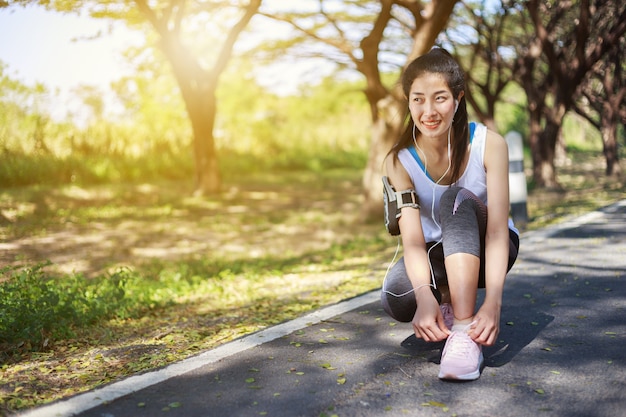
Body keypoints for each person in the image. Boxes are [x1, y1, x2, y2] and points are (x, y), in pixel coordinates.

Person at [381, 48, 520, 381]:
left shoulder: (491, 145)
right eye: (418, 100)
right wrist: (425, 298)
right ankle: (445, 298)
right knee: (397, 297)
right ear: (408, 101)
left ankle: (463, 331)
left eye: (439, 98)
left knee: (454, 199)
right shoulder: (398, 161)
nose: (428, 111)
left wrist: (495, 303)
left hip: (490, 248)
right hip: (438, 253)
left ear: (458, 99)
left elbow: (499, 232)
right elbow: (414, 243)